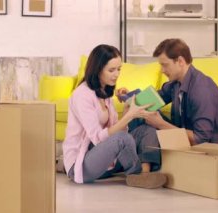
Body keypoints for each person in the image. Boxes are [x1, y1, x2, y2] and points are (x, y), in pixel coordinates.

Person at [62, 44, 167, 188]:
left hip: (107, 164)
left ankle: (145, 172)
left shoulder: (105, 93)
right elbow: (98, 138)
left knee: (146, 130)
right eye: (111, 70)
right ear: (97, 70)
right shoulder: (82, 95)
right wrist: (129, 116)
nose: (116, 74)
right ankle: (136, 175)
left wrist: (126, 110)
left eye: (119, 69)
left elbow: (117, 132)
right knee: (122, 139)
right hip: (81, 165)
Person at [126, 38, 218, 173]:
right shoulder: (175, 83)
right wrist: (128, 97)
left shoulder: (202, 90)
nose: (162, 70)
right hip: (182, 143)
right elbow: (151, 100)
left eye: (165, 65)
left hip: (207, 153)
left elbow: (200, 140)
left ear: (180, 61)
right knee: (142, 111)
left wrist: (160, 124)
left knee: (150, 122)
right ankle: (144, 168)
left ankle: (143, 168)